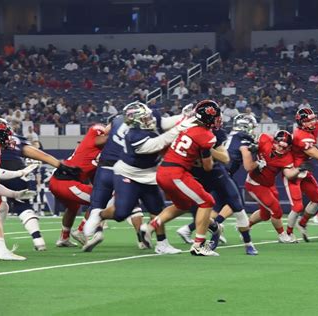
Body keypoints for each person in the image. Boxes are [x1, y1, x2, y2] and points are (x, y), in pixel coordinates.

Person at [83, 102, 194, 254]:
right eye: (145, 118)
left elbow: (165, 122)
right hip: (128, 174)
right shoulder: (134, 135)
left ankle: (162, 244)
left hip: (148, 174)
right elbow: (159, 143)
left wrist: (185, 116)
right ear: (135, 122)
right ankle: (99, 214)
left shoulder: (150, 119)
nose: (150, 119)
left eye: (148, 115)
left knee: (157, 209)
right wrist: (181, 127)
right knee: (121, 213)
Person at [144, 100, 223, 256]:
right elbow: (207, 167)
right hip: (176, 173)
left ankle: (152, 225)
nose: (218, 120)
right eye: (215, 117)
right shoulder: (207, 136)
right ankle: (198, 245)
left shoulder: (188, 127)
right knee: (207, 201)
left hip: (163, 171)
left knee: (183, 204)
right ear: (208, 118)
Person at [176, 114, 258, 255]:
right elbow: (245, 164)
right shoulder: (241, 139)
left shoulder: (223, 135)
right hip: (220, 174)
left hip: (207, 173)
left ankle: (200, 231)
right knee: (237, 207)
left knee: (210, 207)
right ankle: (248, 244)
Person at [284, 96, 318, 242]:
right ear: (302, 123)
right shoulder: (301, 136)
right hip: (294, 171)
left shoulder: (310, 125)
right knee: (297, 207)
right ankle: (287, 234)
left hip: (305, 170)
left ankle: (302, 223)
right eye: (308, 120)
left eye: (312, 119)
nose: (313, 122)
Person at [0, 118, 36, 260]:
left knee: (2, 207)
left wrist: (15, 194)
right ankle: (2, 251)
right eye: (6, 134)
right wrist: (20, 172)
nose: (9, 138)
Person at [49, 123, 109, 247]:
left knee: (73, 207)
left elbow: (96, 182)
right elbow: (100, 139)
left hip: (60, 182)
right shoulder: (98, 133)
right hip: (65, 181)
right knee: (101, 199)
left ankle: (64, 238)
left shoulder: (100, 154)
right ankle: (81, 230)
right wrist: (119, 134)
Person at [245, 130, 304, 243]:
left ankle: (245, 226)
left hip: (269, 185)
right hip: (255, 183)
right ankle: (282, 235)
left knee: (265, 214)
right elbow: (248, 144)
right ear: (274, 141)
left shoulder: (287, 157)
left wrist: (299, 169)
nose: (280, 148)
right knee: (276, 210)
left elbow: (288, 174)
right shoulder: (264, 139)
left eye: (284, 147)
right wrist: (252, 148)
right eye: (279, 145)